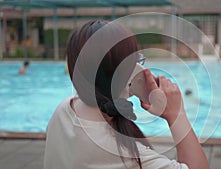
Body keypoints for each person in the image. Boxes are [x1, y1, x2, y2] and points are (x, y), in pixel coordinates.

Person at [44, 20, 209, 169]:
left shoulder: (64, 108)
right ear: (127, 73)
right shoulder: (125, 154)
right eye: (136, 59)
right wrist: (176, 113)